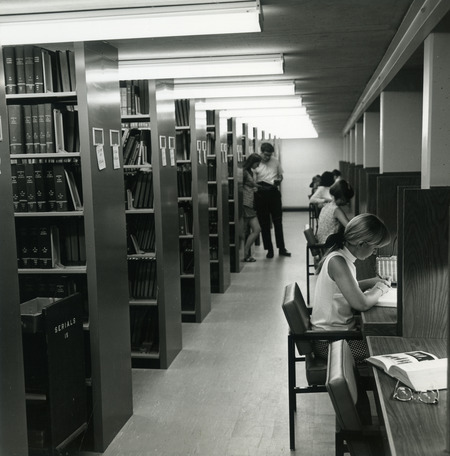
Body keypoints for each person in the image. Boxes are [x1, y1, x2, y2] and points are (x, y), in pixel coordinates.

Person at [310, 213, 392, 362]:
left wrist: (372, 281)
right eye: (374, 249)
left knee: (384, 342)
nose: (374, 253)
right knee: (384, 348)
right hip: (331, 343)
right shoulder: (338, 262)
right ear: (361, 244)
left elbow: (347, 289)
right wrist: (380, 289)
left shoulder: (340, 256)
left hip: (338, 337)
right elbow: (361, 303)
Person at [253, 142, 291, 258]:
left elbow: (281, 175)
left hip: (274, 193)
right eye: (265, 155)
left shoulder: (275, 161)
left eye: (269, 155)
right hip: (261, 195)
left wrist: (279, 180)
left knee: (278, 222)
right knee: (264, 224)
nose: (267, 157)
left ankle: (282, 248)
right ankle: (269, 249)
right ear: (261, 152)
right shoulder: (256, 163)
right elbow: (253, 181)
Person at [316, 179, 354, 244]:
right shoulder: (336, 210)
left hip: (321, 243)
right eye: (347, 199)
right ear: (343, 198)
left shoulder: (326, 206)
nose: (348, 202)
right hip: (329, 246)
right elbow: (350, 227)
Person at [242, 153, 262, 262]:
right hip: (246, 204)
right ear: (252, 162)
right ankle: (245, 253)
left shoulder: (248, 171)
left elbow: (249, 185)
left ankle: (245, 253)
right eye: (257, 163)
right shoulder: (244, 172)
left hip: (249, 203)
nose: (258, 166)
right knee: (255, 229)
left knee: (246, 230)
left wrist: (255, 187)